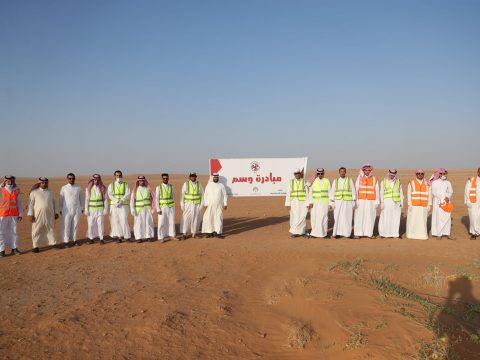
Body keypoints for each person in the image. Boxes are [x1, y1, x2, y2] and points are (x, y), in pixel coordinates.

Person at [28, 177, 58, 253]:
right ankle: (35, 246)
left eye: (46, 183)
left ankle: (53, 244)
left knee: (51, 228)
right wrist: (30, 214)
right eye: (42, 183)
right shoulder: (34, 192)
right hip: (37, 215)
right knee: (36, 229)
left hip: (50, 214)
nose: (44, 184)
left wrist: (56, 212)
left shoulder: (50, 192)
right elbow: (30, 204)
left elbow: (55, 203)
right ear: (39, 183)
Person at [353, 164, 379, 239]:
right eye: (365, 170)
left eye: (369, 170)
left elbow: (376, 190)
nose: (367, 171)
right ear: (363, 170)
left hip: (371, 201)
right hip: (361, 200)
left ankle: (369, 233)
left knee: (370, 216)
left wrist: (377, 201)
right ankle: (358, 233)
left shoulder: (374, 179)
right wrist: (356, 200)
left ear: (371, 171)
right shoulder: (359, 178)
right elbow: (356, 189)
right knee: (359, 216)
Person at [329, 167, 356, 238]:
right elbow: (332, 192)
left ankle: (348, 234)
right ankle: (337, 233)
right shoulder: (336, 181)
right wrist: (332, 202)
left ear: (345, 172)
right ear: (339, 172)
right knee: (337, 217)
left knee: (347, 217)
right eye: (341, 171)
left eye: (343, 171)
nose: (342, 173)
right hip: (338, 202)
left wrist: (353, 201)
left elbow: (353, 191)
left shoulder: (349, 180)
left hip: (347, 202)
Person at [59, 173, 83, 247]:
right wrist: (61, 209)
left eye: (73, 178)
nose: (71, 180)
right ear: (67, 179)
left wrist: (82, 208)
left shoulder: (78, 187)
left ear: (74, 179)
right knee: (66, 225)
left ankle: (74, 240)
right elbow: (61, 199)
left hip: (77, 209)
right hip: (66, 209)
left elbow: (81, 198)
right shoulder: (64, 188)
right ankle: (66, 241)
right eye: (70, 178)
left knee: (75, 225)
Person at [406, 169, 431, 240]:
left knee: (422, 221)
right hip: (414, 205)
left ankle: (422, 236)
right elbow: (409, 193)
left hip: (423, 205)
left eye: (422, 173)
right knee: (412, 220)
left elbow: (429, 194)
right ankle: (411, 235)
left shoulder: (427, 183)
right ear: (416, 174)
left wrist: (429, 204)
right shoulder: (411, 182)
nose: (420, 175)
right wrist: (409, 204)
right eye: (418, 173)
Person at [0, 176, 22, 256]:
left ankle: (14, 248)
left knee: (14, 232)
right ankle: (1, 250)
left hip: (13, 214)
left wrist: (20, 214)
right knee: (1, 232)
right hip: (2, 214)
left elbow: (19, 203)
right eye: (8, 180)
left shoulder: (16, 190)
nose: (10, 181)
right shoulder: (1, 189)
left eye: (12, 180)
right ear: (5, 181)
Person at [378, 169, 404, 238]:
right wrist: (382, 202)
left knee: (396, 218)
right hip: (387, 202)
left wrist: (402, 202)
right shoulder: (383, 181)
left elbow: (400, 192)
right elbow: (381, 192)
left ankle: (395, 234)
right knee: (386, 217)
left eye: (393, 175)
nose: (392, 176)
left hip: (396, 202)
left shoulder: (398, 182)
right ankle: (384, 234)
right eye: (390, 175)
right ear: (388, 174)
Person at [107, 170, 131, 243]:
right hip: (114, 206)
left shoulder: (125, 184)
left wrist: (121, 201)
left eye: (120, 175)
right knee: (116, 221)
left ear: (122, 176)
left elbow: (128, 194)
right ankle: (119, 237)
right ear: (114, 176)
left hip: (123, 205)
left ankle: (127, 237)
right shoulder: (111, 185)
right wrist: (117, 201)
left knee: (124, 220)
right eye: (117, 175)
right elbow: (110, 195)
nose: (118, 177)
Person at [429, 168, 453, 239]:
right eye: (442, 174)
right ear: (439, 174)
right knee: (439, 217)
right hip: (438, 201)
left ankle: (447, 233)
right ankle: (439, 233)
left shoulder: (448, 182)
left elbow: (451, 191)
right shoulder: (435, 182)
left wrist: (447, 197)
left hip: (447, 201)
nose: (444, 175)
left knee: (447, 217)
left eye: (445, 174)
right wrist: (442, 197)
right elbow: (433, 192)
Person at [202, 173, 228, 238]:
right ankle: (209, 232)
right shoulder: (208, 185)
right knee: (209, 218)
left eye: (217, 177)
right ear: (212, 178)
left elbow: (225, 195)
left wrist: (225, 204)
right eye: (215, 177)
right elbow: (205, 195)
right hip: (209, 205)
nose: (216, 178)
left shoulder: (221, 185)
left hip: (219, 205)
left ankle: (218, 233)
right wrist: (205, 204)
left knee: (218, 218)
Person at [130, 175, 155, 243]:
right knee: (138, 224)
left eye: (142, 180)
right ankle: (138, 237)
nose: (141, 182)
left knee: (148, 223)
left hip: (148, 209)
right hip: (138, 210)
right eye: (140, 181)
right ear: (138, 181)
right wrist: (132, 209)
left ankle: (148, 236)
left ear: (144, 181)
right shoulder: (135, 190)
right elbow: (132, 201)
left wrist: (153, 208)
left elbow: (153, 199)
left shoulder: (148, 189)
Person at [85, 174, 108, 244]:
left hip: (100, 209)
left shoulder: (103, 188)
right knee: (91, 224)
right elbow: (87, 200)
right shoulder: (88, 188)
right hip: (91, 210)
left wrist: (105, 209)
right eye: (95, 180)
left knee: (100, 224)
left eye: (98, 180)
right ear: (93, 180)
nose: (96, 181)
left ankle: (101, 239)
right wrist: (86, 209)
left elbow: (105, 199)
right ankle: (91, 238)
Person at [180, 172, 204, 240]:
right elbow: (182, 195)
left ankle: (194, 233)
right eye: (192, 176)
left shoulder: (199, 184)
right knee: (186, 218)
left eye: (194, 176)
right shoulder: (186, 184)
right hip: (188, 204)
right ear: (189, 177)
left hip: (196, 204)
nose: (193, 177)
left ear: (196, 177)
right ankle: (184, 233)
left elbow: (202, 195)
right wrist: (182, 204)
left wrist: (201, 204)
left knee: (195, 218)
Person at [307, 168, 330, 238]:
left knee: (324, 217)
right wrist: (310, 202)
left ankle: (324, 233)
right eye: (318, 174)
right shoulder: (313, 181)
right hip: (315, 202)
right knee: (314, 217)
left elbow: (330, 192)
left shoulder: (327, 181)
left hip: (324, 202)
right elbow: (310, 193)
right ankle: (314, 233)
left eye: (321, 173)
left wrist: (330, 203)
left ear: (323, 173)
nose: (320, 175)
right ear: (316, 174)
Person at [285, 169, 308, 238]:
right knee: (293, 216)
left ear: (300, 174)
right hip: (293, 202)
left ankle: (303, 232)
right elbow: (288, 193)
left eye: (298, 173)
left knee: (302, 216)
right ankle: (294, 232)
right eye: (295, 173)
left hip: (302, 202)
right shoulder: (291, 182)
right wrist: (287, 204)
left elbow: (307, 193)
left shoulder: (304, 182)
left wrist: (307, 203)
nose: (297, 174)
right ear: (294, 174)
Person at [156, 173, 176, 242]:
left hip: (170, 207)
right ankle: (160, 237)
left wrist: (173, 207)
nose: (165, 179)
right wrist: (158, 209)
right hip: (162, 207)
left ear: (168, 178)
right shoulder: (159, 187)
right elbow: (156, 199)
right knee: (161, 222)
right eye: (164, 178)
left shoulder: (171, 186)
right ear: (162, 179)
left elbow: (173, 197)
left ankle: (172, 235)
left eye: (166, 178)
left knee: (171, 221)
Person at [465, 168, 480, 240]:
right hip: (473, 202)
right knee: (473, 217)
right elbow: (466, 191)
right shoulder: (471, 180)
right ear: (477, 172)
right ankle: (474, 233)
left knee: (479, 217)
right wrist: (468, 201)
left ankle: (478, 231)